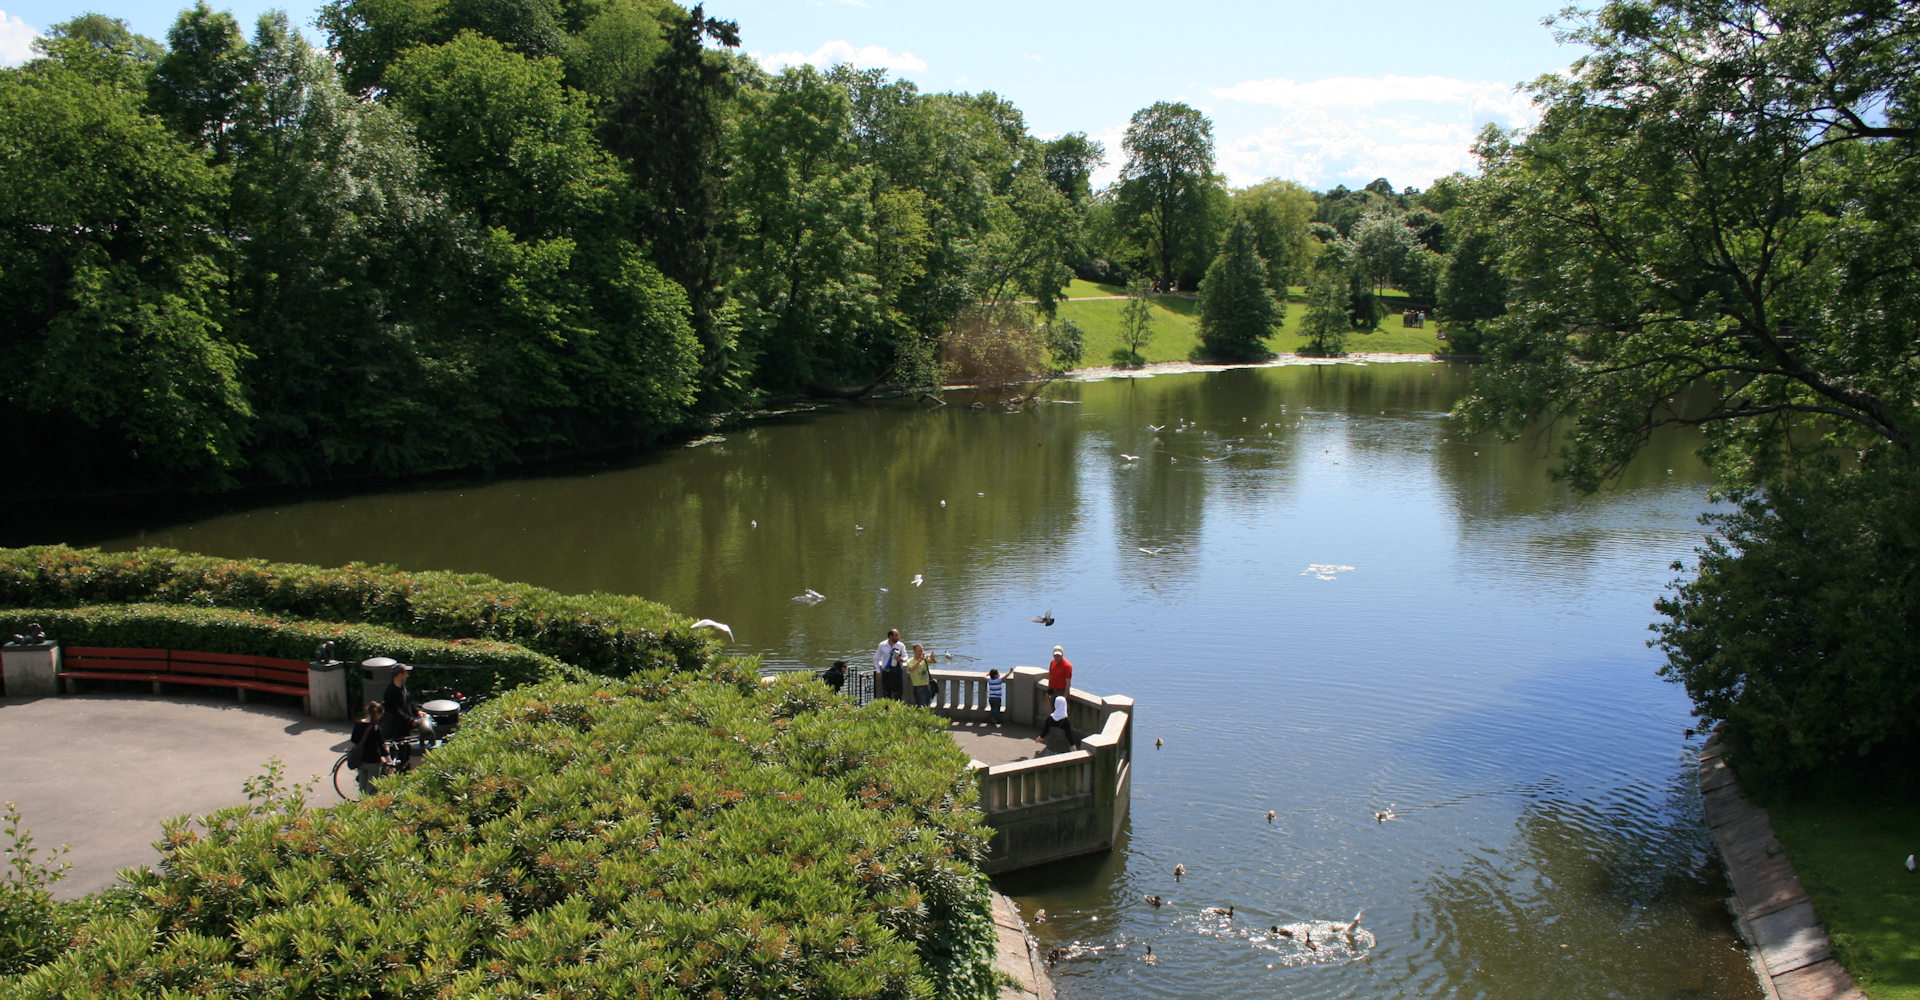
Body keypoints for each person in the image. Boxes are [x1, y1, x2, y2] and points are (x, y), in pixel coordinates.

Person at [381, 662, 423, 767]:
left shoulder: (402, 687)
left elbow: (408, 701)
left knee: (406, 750)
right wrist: (411, 721)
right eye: (405, 673)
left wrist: (416, 711)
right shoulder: (390, 691)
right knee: (398, 751)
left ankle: (403, 769)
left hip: (404, 725)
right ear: (399, 674)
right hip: (396, 727)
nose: (407, 675)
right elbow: (395, 712)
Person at [351, 701, 390, 793]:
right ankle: (370, 806)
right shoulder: (375, 729)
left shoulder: (358, 724)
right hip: (373, 761)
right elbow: (382, 746)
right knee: (372, 789)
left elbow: (354, 740)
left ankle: (362, 805)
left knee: (362, 787)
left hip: (360, 760)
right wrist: (389, 761)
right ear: (378, 714)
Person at [875, 628, 905, 701]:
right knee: (886, 693)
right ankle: (887, 711)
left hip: (897, 672)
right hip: (886, 672)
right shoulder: (882, 645)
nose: (898, 637)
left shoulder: (901, 645)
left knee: (898, 694)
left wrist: (901, 659)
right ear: (890, 637)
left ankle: (897, 710)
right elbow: (876, 658)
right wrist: (878, 671)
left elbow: (906, 657)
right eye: (896, 635)